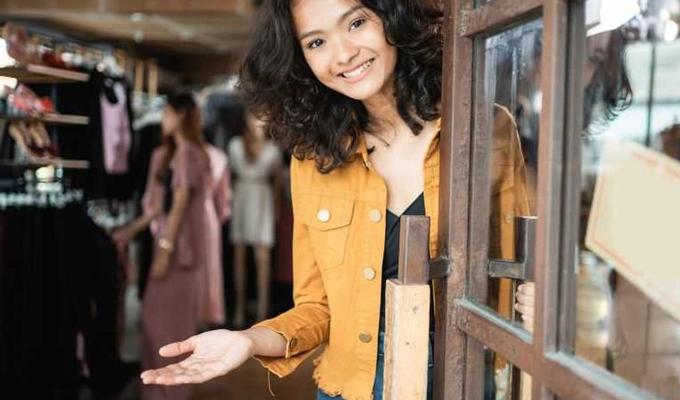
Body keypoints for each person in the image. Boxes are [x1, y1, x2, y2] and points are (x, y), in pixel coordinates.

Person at [139, 1, 529, 399]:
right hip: (351, 387)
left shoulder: (486, 130)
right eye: (316, 42)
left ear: (393, 17)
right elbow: (317, 308)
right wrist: (251, 340)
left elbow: (516, 271)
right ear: (299, 59)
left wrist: (537, 300)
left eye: (357, 23)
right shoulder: (314, 159)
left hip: (458, 379)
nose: (343, 54)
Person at [112, 93, 230, 400]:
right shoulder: (165, 154)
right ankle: (155, 388)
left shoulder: (192, 154)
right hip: (168, 246)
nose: (162, 118)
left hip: (182, 252)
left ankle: (171, 391)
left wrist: (164, 250)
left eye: (166, 112)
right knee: (153, 320)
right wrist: (128, 231)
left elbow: (179, 206)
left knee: (170, 325)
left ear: (181, 115)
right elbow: (156, 209)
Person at [228, 111, 283, 327]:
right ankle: (239, 309)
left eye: (265, 117)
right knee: (239, 258)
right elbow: (229, 176)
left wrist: (277, 209)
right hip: (241, 196)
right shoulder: (235, 145)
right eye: (256, 117)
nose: (261, 121)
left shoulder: (273, 149)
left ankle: (262, 312)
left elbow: (278, 182)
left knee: (263, 259)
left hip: (263, 198)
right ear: (247, 119)